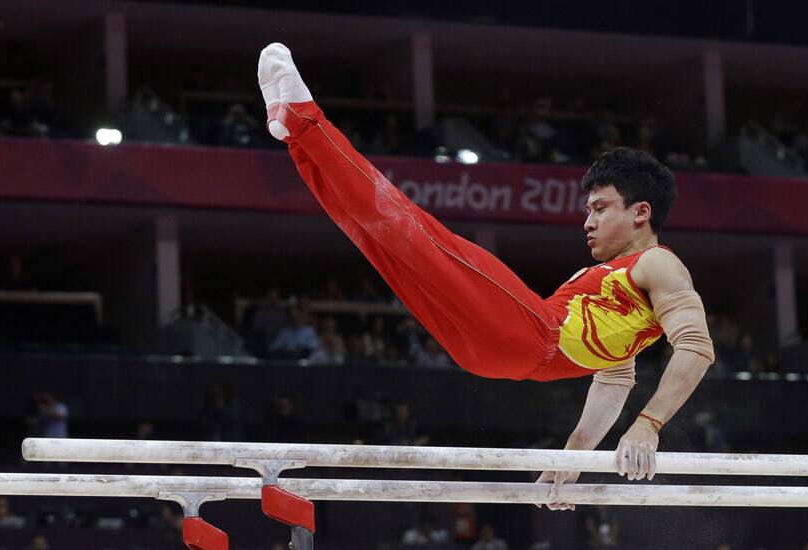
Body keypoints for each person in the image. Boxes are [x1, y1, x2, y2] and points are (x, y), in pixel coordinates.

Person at [258, 43, 714, 510]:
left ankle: (305, 119)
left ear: (642, 212)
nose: (588, 222)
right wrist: (574, 456)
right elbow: (614, 376)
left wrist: (649, 424)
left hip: (525, 339)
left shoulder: (658, 264)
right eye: (588, 210)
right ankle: (298, 137)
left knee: (407, 230)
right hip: (502, 351)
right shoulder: (608, 278)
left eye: (600, 209)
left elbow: (697, 348)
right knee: (381, 241)